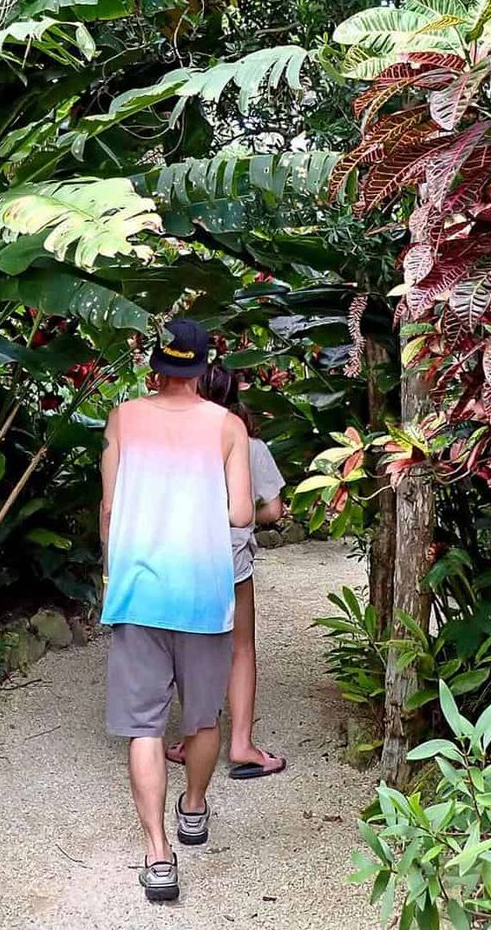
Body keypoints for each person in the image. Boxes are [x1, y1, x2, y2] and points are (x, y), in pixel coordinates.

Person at [100, 318, 254, 904]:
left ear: (155, 364)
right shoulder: (228, 427)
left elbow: (109, 506)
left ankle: (158, 856)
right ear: (203, 368)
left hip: (139, 590)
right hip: (203, 591)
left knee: (143, 726)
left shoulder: (124, 419)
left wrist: (110, 568)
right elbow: (241, 513)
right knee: (202, 719)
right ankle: (194, 807)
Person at [164, 361, 288, 779]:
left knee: (193, 650)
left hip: (184, 559)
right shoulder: (250, 444)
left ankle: (193, 739)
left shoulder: (176, 440)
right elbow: (273, 508)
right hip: (232, 561)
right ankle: (241, 744)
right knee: (240, 649)